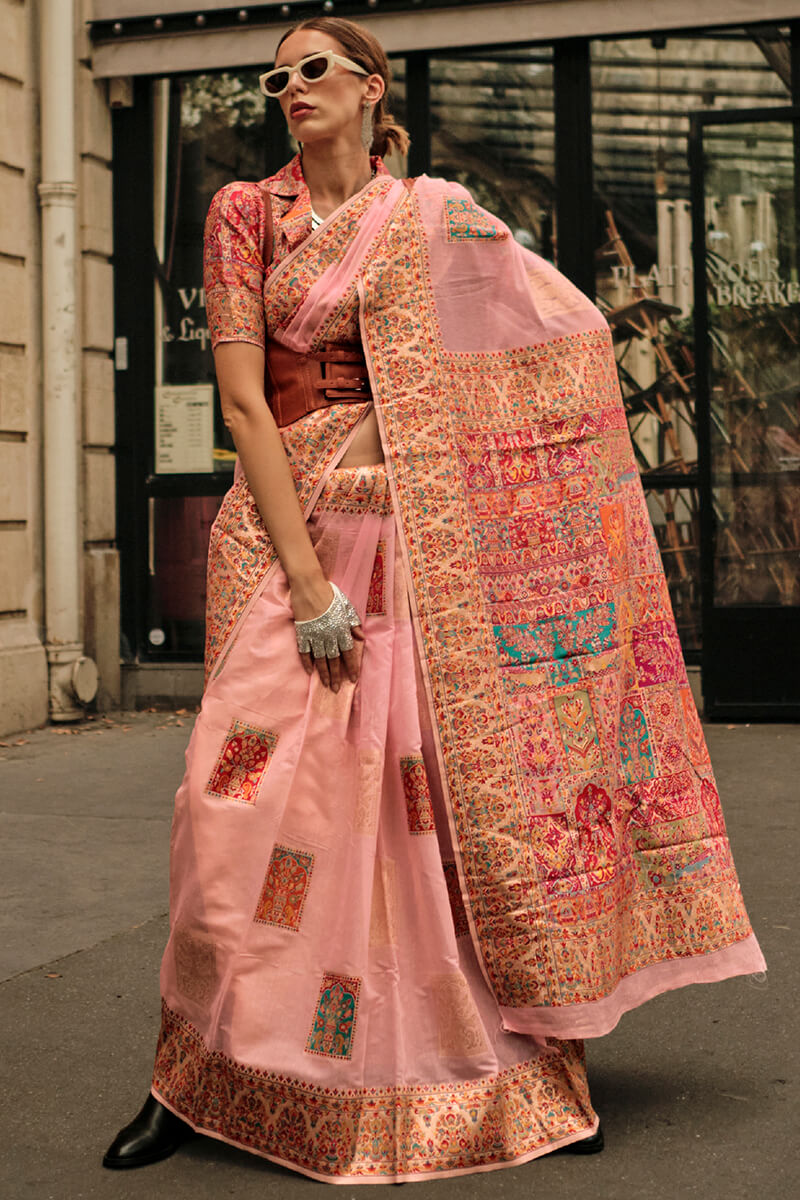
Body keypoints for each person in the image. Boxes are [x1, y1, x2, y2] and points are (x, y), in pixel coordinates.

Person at [103, 15, 766, 1184]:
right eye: (276, 76)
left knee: (422, 812)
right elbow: (246, 408)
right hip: (283, 538)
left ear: (369, 89)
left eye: (313, 70)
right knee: (229, 813)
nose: (289, 88)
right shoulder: (245, 215)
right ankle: (192, 1073)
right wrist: (307, 585)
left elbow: (554, 328)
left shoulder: (431, 215)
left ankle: (508, 1058)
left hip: (415, 543)